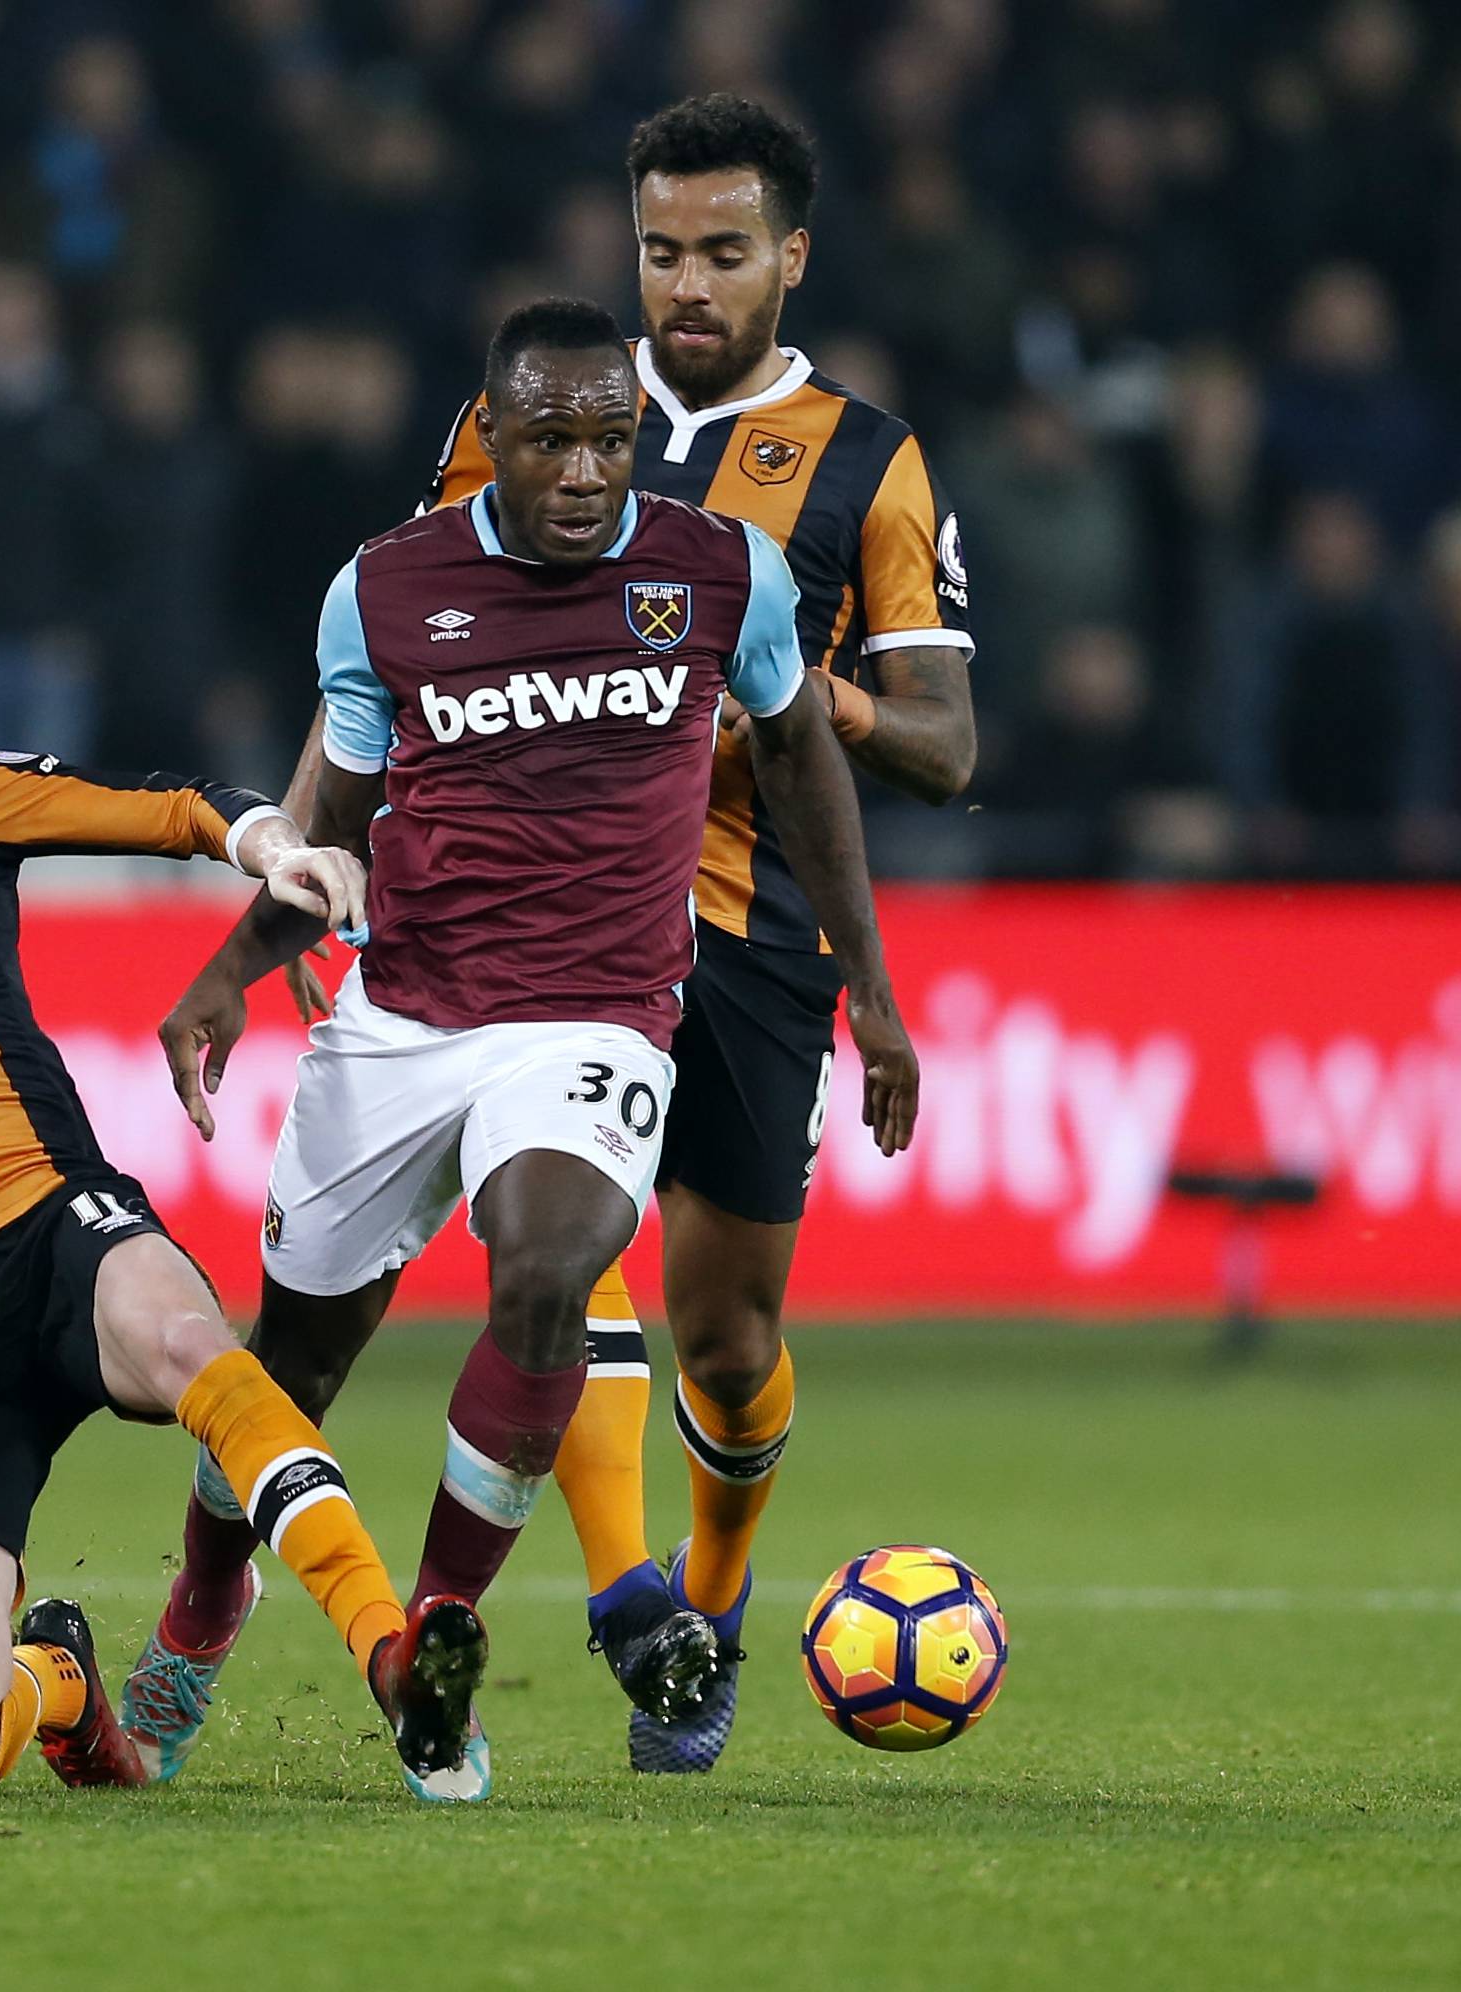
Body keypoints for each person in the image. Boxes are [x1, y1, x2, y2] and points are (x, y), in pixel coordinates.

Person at [123, 297, 918, 1801]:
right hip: (405, 1018)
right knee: (291, 1364)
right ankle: (199, 1617)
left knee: (554, 1269)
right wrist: (233, 968)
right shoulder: (385, 591)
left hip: (595, 1017)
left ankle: (437, 1633)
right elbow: (343, 815)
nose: (582, 472)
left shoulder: (720, 573)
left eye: (609, 439)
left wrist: (866, 984)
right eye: (550, 439)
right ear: (491, 435)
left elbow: (806, 757)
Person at [0, 550, 480, 1800]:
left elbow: (156, 803)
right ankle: (63, 1681)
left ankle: (393, 1656)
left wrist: (266, 842)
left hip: (50, 1234)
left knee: (195, 1347)